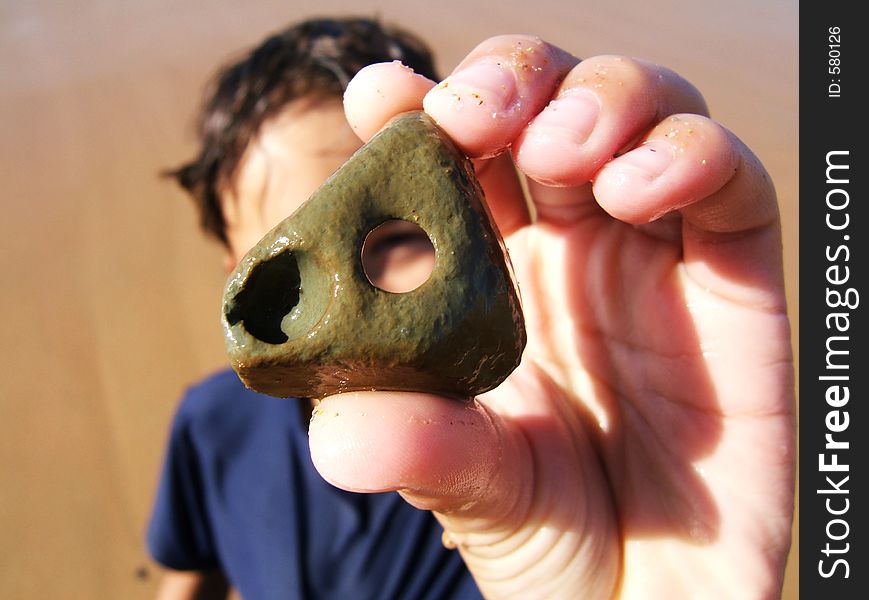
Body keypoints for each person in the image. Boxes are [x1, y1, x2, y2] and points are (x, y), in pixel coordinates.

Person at [149, 14, 795, 600]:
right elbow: (188, 578)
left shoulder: (515, 470)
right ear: (236, 267)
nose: (357, 276)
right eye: (282, 270)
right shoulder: (210, 431)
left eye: (398, 238)